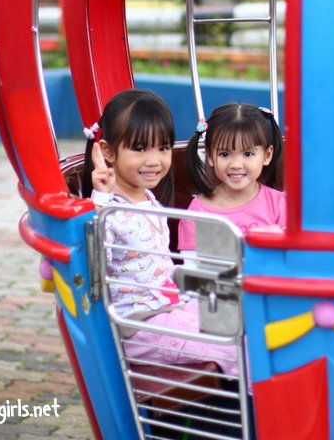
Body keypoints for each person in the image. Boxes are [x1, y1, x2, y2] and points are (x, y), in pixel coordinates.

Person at [83, 88, 239, 377]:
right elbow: (91, 258)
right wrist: (101, 199)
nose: (155, 160)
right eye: (140, 149)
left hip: (166, 309)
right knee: (233, 344)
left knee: (241, 318)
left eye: (163, 148)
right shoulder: (109, 209)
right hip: (139, 326)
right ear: (107, 151)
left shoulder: (146, 197)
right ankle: (261, 415)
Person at [179, 102, 285, 251]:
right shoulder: (198, 211)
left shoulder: (280, 205)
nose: (236, 164)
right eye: (224, 154)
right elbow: (193, 265)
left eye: (248, 154)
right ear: (210, 156)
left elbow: (292, 260)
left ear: (267, 155)